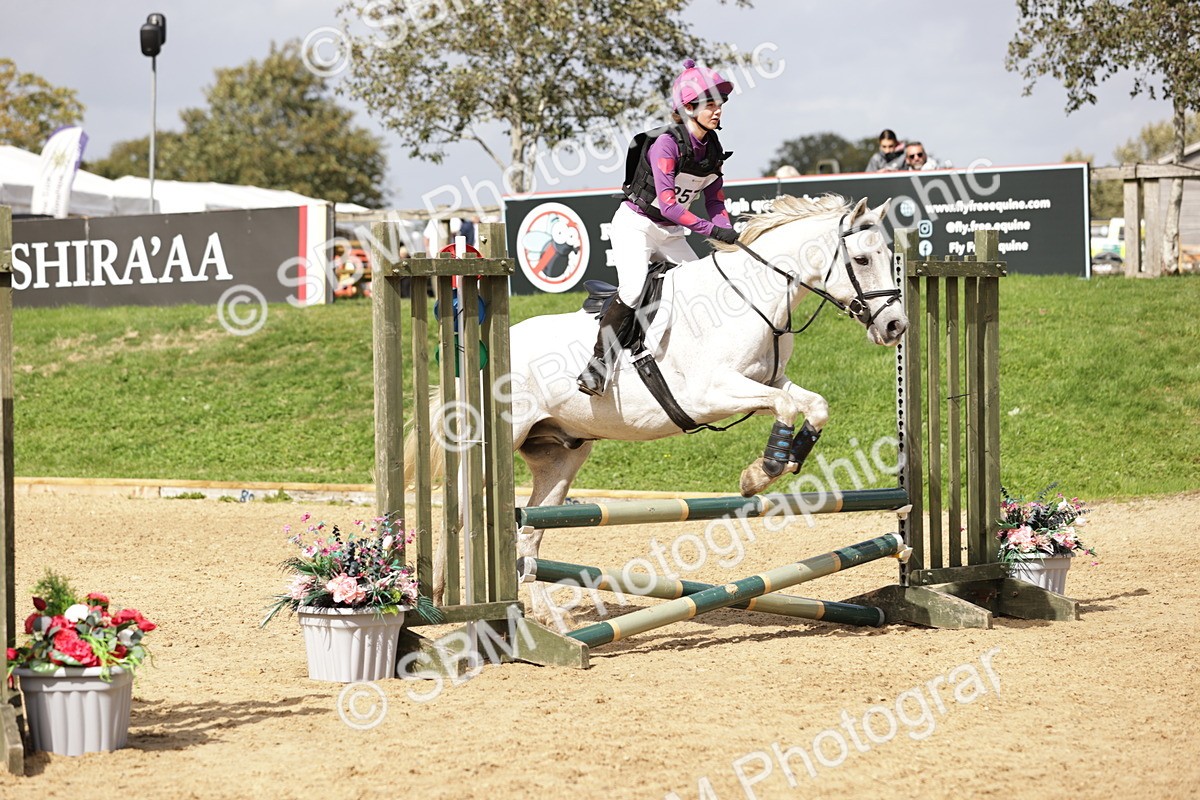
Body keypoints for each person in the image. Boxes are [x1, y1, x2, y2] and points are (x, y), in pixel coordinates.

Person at [576, 59, 739, 397]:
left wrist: (727, 232)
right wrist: (711, 230)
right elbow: (668, 204)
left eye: (719, 103)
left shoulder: (713, 150)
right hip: (637, 225)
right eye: (710, 103)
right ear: (688, 107)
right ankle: (596, 365)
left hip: (672, 234)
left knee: (705, 287)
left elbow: (715, 203)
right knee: (634, 290)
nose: (717, 110)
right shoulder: (666, 144)